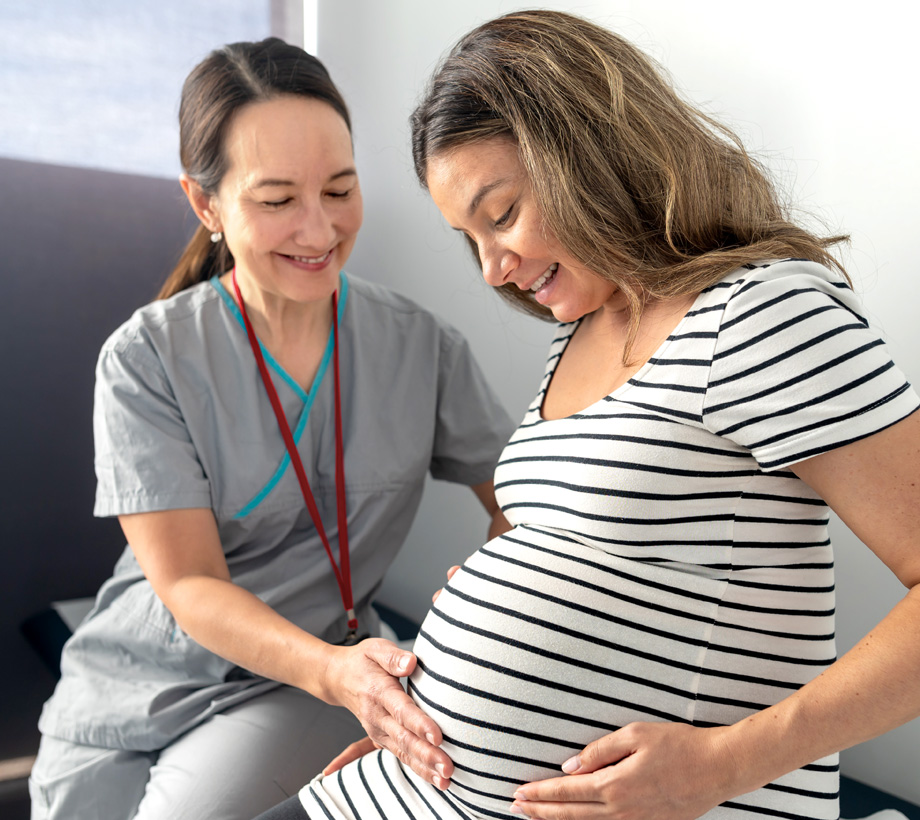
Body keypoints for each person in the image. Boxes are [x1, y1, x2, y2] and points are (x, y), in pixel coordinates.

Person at [254, 9, 920, 820]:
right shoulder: (584, 331)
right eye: (470, 238)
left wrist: (721, 764)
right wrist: (438, 715)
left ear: (589, 152)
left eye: (499, 215)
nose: (494, 268)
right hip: (416, 790)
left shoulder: (761, 314)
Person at [27, 37, 514, 820]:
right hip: (122, 688)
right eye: (278, 199)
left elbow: (523, 497)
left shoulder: (419, 347)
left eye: (341, 189)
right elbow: (188, 584)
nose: (319, 231)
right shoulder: (147, 357)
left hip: (302, 675)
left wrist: (485, 607)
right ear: (205, 203)